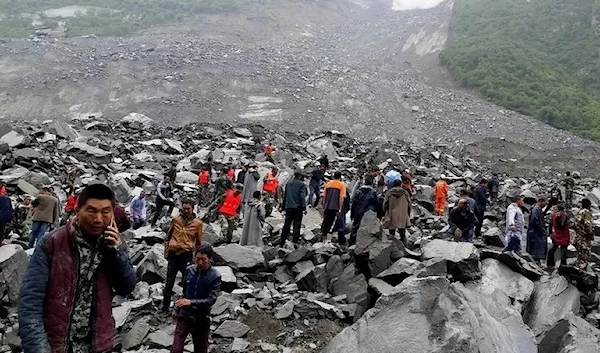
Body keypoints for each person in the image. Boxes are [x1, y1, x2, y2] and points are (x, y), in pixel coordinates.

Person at [18, 184, 136, 353]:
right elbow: (30, 301)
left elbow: (127, 287)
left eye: (105, 212)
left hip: (97, 345)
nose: (98, 219)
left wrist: (117, 253)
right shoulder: (52, 242)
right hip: (56, 345)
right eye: (91, 211)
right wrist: (38, 348)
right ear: (77, 210)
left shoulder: (115, 244)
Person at [170, 244, 221, 353]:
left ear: (210, 259)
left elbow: (211, 300)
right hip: (185, 316)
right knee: (176, 349)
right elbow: (184, 292)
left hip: (201, 319)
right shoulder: (189, 270)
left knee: (200, 350)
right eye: (197, 259)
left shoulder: (215, 276)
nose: (200, 262)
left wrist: (190, 302)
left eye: (204, 259)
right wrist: (177, 310)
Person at [163, 199, 204, 312]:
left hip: (186, 255)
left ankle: (185, 306)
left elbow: (199, 243)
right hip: (173, 254)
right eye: (184, 209)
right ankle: (165, 307)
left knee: (187, 281)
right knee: (169, 281)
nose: (186, 211)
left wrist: (197, 259)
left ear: (192, 209)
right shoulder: (175, 220)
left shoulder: (197, 224)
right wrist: (166, 252)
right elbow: (167, 237)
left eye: (188, 209)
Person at [349, 175, 382, 246]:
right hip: (368, 213)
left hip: (358, 212)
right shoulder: (373, 193)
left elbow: (354, 203)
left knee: (355, 227)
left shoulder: (358, 191)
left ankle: (351, 243)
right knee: (367, 229)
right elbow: (376, 204)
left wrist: (352, 214)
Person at [280, 170, 307, 245]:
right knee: (297, 224)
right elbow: (302, 196)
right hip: (297, 207)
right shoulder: (301, 184)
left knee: (287, 224)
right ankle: (295, 240)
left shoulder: (288, 183)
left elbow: (285, 195)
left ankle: (283, 239)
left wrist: (283, 207)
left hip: (289, 206)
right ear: (300, 176)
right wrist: (304, 207)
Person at [382, 179, 411, 244]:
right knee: (402, 234)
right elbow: (409, 204)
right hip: (402, 215)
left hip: (392, 215)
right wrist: (408, 214)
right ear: (401, 184)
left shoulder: (389, 193)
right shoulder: (405, 193)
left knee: (391, 234)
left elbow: (385, 204)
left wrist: (384, 213)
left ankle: (391, 248)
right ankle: (405, 248)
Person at [321, 171, 347, 240]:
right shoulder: (341, 185)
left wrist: (324, 205)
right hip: (335, 206)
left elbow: (324, 196)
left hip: (327, 205)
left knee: (325, 220)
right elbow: (341, 198)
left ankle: (323, 234)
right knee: (332, 222)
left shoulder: (328, 184)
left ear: (333, 176)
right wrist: (340, 208)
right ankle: (328, 236)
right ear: (340, 177)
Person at [547, 204, 570, 269]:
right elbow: (563, 225)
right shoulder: (564, 215)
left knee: (552, 250)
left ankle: (550, 264)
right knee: (563, 252)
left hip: (556, 235)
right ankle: (563, 266)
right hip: (564, 235)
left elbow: (550, 224)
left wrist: (550, 233)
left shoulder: (553, 215)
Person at [526, 198, 548, 264]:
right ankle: (535, 262)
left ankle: (536, 261)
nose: (545, 205)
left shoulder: (537, 209)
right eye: (545, 203)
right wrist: (542, 229)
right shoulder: (536, 209)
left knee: (536, 247)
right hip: (535, 232)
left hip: (535, 231)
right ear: (541, 201)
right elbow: (535, 220)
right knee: (536, 248)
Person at [574, 198, 594, 269]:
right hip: (585, 237)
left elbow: (575, 225)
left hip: (579, 236)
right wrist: (590, 234)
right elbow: (587, 224)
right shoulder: (587, 212)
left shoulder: (579, 212)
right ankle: (583, 271)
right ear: (589, 205)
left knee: (579, 254)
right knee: (585, 254)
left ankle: (578, 269)